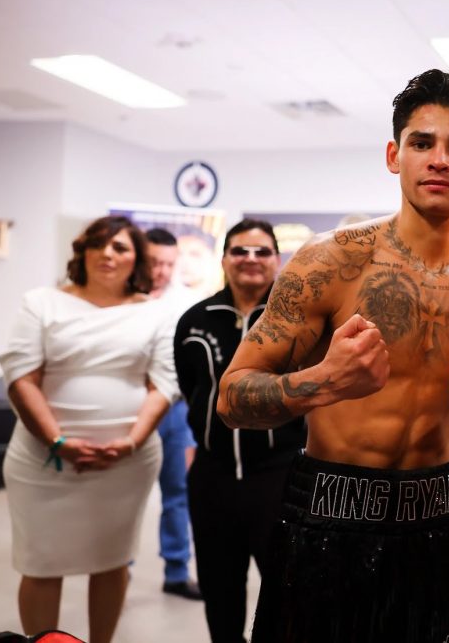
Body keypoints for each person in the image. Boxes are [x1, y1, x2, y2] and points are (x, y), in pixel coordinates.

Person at [215, 69, 449, 642]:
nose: (439, 159)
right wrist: (323, 382)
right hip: (329, 510)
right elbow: (232, 396)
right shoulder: (330, 262)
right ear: (395, 156)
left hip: (438, 516)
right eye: (422, 143)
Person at [0, 215, 178, 642]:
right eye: (98, 244)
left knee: (111, 560)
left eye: (120, 247)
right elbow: (21, 376)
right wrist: (57, 442)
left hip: (126, 464)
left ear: (137, 259)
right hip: (43, 462)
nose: (108, 254)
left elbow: (165, 383)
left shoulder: (157, 313)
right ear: (82, 252)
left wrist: (131, 443)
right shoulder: (41, 302)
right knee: (41, 563)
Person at [173, 219, 306, 643]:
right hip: (212, 479)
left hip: (280, 477)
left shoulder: (299, 319)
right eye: (240, 251)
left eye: (262, 251)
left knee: (288, 594)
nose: (251, 260)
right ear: (225, 259)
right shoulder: (195, 320)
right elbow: (190, 387)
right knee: (219, 592)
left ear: (277, 260)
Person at [145, 228, 202, 600]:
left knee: (178, 491)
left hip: (176, 411)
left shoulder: (189, 302)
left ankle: (177, 572)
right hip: (132, 407)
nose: (161, 270)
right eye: (154, 262)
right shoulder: (124, 301)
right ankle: (119, 568)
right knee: (125, 495)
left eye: (168, 263)